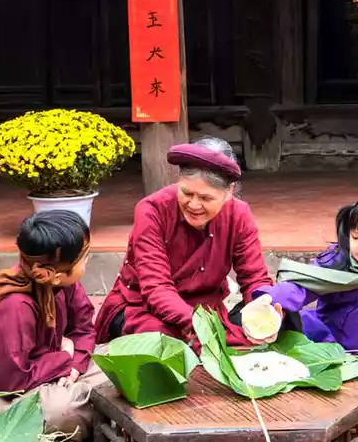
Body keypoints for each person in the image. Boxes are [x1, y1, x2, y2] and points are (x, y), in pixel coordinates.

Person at [93, 136, 271, 346]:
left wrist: (266, 312)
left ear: (229, 192)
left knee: (281, 320)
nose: (194, 205)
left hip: (207, 314)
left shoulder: (239, 214)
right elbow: (156, 289)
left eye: (206, 198)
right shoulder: (152, 210)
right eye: (186, 193)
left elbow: (255, 279)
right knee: (164, 343)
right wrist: (200, 325)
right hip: (144, 309)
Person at [0, 209, 100, 440]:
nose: (88, 260)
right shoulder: (12, 306)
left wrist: (75, 366)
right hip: (1, 396)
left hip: (51, 372)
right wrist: (64, 358)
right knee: (63, 413)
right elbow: (15, 381)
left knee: (124, 356)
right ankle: (95, 405)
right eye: (84, 257)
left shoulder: (64, 283)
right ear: (55, 274)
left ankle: (90, 399)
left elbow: (84, 329)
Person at [245, 191, 358, 359]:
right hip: (318, 342)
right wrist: (270, 298)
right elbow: (301, 286)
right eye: (355, 237)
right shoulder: (337, 259)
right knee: (287, 319)